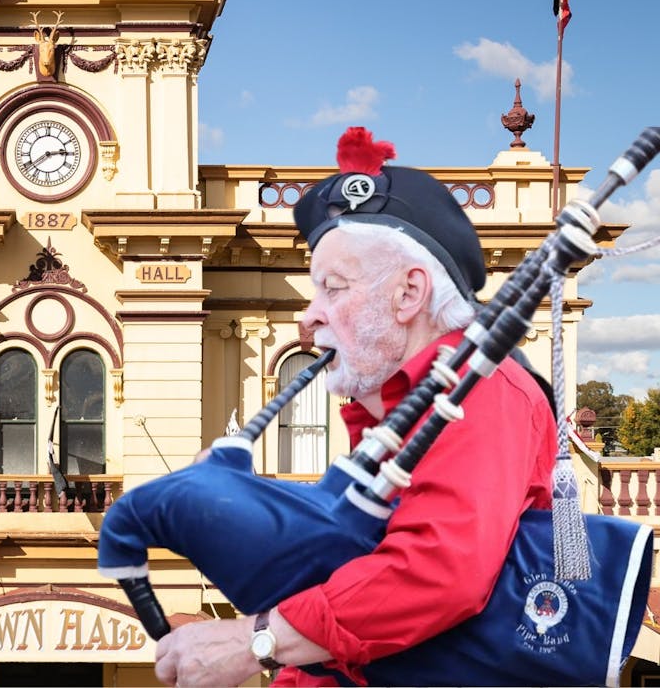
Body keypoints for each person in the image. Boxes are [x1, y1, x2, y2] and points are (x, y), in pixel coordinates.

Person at [154, 127, 557, 687]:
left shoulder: (479, 387)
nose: (308, 317)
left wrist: (252, 642)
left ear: (409, 294)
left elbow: (436, 575)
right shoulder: (392, 412)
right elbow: (352, 588)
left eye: (333, 289)